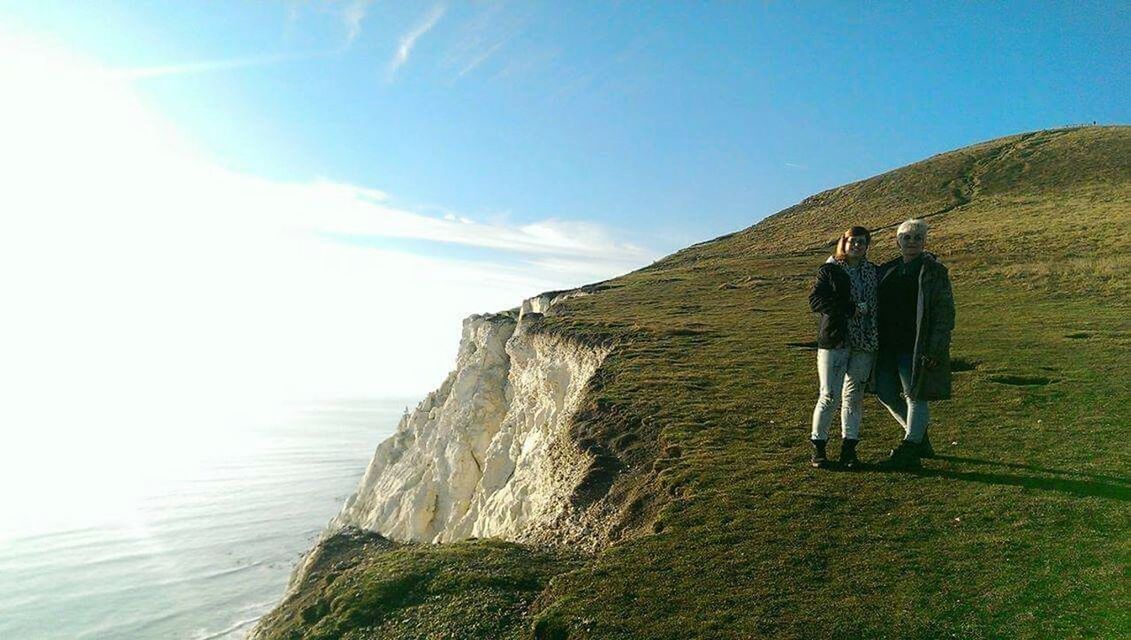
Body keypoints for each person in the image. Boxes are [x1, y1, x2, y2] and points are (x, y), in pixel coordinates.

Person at [873, 218, 955, 467]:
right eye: (907, 237)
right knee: (885, 393)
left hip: (915, 344)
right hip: (886, 344)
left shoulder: (934, 271)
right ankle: (920, 439)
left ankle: (910, 447)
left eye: (917, 237)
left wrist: (935, 348)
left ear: (924, 241)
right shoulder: (887, 269)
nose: (912, 241)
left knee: (915, 395)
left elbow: (944, 312)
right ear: (898, 241)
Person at [807, 226, 879, 469]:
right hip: (836, 339)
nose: (856, 246)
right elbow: (816, 301)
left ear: (867, 245)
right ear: (843, 243)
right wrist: (850, 309)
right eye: (852, 241)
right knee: (828, 395)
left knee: (854, 397)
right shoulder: (829, 270)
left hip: (865, 341)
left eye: (861, 242)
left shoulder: (874, 272)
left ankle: (849, 450)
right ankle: (818, 448)